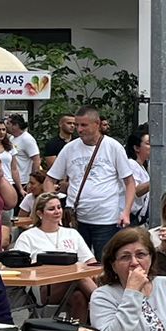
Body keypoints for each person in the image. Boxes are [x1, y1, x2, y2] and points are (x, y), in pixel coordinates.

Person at [45, 107, 137, 254]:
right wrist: (52, 204)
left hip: (106, 219)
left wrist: (126, 212)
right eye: (77, 125)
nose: (79, 129)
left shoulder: (113, 147)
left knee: (104, 261)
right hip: (75, 218)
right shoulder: (69, 148)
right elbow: (50, 179)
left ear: (97, 124)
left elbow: (130, 182)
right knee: (75, 260)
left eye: (84, 125)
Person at [14, 192, 95, 263]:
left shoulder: (72, 233)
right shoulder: (27, 237)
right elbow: (19, 265)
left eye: (59, 207)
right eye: (51, 209)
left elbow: (89, 260)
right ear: (40, 214)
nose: (57, 212)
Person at [5, 113, 42, 191]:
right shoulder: (11, 138)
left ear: (16, 125)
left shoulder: (27, 139)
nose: (6, 126)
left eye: (8, 123)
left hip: (24, 181)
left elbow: (36, 160)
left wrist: (33, 180)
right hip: (13, 179)